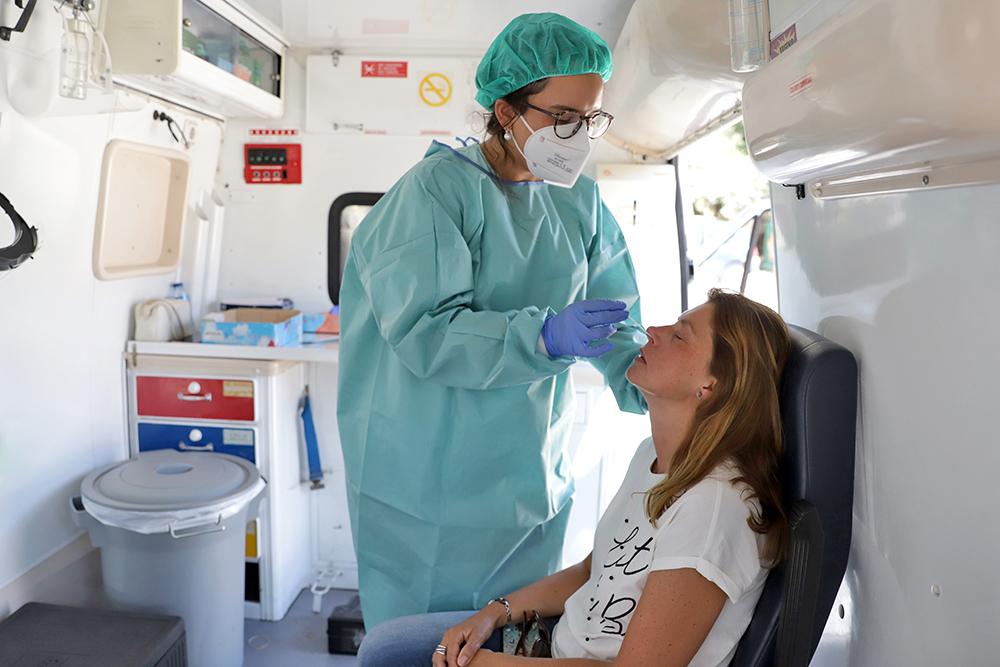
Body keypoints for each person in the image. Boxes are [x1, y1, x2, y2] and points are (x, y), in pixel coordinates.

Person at [337, 13, 647, 630]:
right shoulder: (434, 193)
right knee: (425, 641)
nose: (579, 133)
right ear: (506, 112)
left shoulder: (579, 202)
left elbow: (619, 322)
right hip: (425, 482)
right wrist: (542, 336)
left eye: (590, 118)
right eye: (563, 116)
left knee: (517, 636)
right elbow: (427, 333)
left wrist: (656, 389)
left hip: (530, 477)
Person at [356, 289, 793, 667]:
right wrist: (494, 612)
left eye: (679, 335)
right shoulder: (653, 458)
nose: (653, 331)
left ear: (710, 387)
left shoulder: (714, 508)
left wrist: (493, 664)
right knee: (386, 647)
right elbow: (593, 570)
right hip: (557, 644)